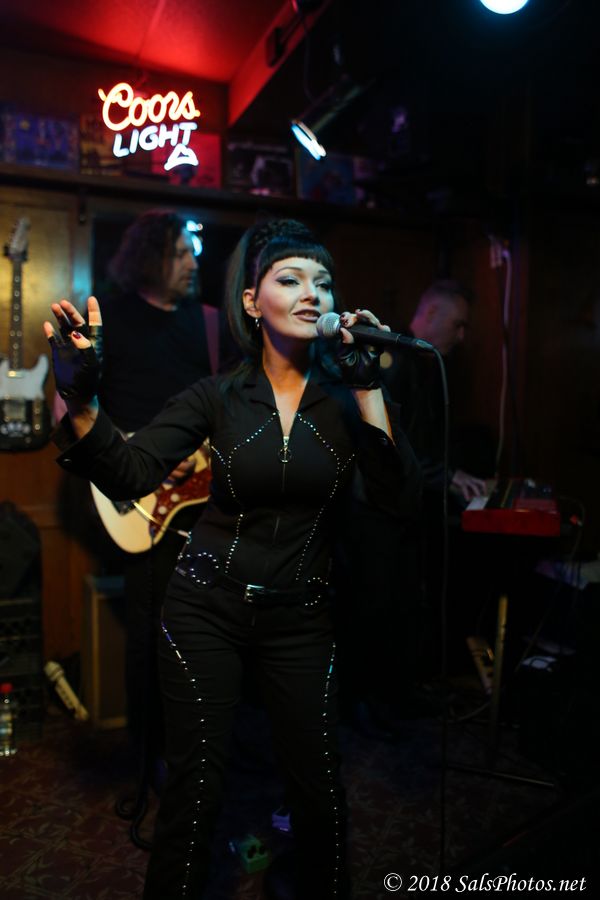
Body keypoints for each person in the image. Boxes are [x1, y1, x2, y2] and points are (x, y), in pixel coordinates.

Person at [43, 218, 421, 900]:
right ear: (252, 302)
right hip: (204, 608)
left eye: (323, 282)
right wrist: (81, 397)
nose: (312, 293)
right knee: (195, 792)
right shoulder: (215, 395)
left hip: (301, 618)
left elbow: (398, 499)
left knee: (319, 791)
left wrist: (369, 385)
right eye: (290, 278)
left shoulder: (344, 405)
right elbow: (129, 472)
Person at [56, 209, 216, 797]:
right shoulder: (115, 317)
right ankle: (146, 755)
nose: (192, 263)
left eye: (192, 252)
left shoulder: (208, 324)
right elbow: (71, 411)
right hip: (138, 493)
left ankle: (198, 750)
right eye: (180, 252)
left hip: (199, 499)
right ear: (150, 255)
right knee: (150, 632)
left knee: (202, 630)